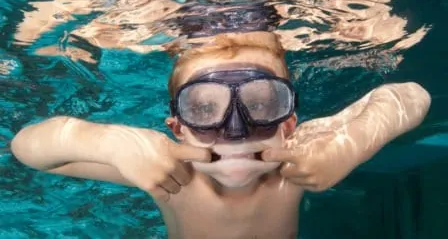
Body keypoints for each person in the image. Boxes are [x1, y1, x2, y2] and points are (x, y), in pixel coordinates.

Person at [11, 32, 431, 239]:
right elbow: (28, 148)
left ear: (288, 123)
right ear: (177, 128)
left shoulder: (300, 156)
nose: (235, 129)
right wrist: (112, 144)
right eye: (203, 107)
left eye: (262, 103)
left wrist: (350, 145)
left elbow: (412, 97)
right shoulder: (174, 176)